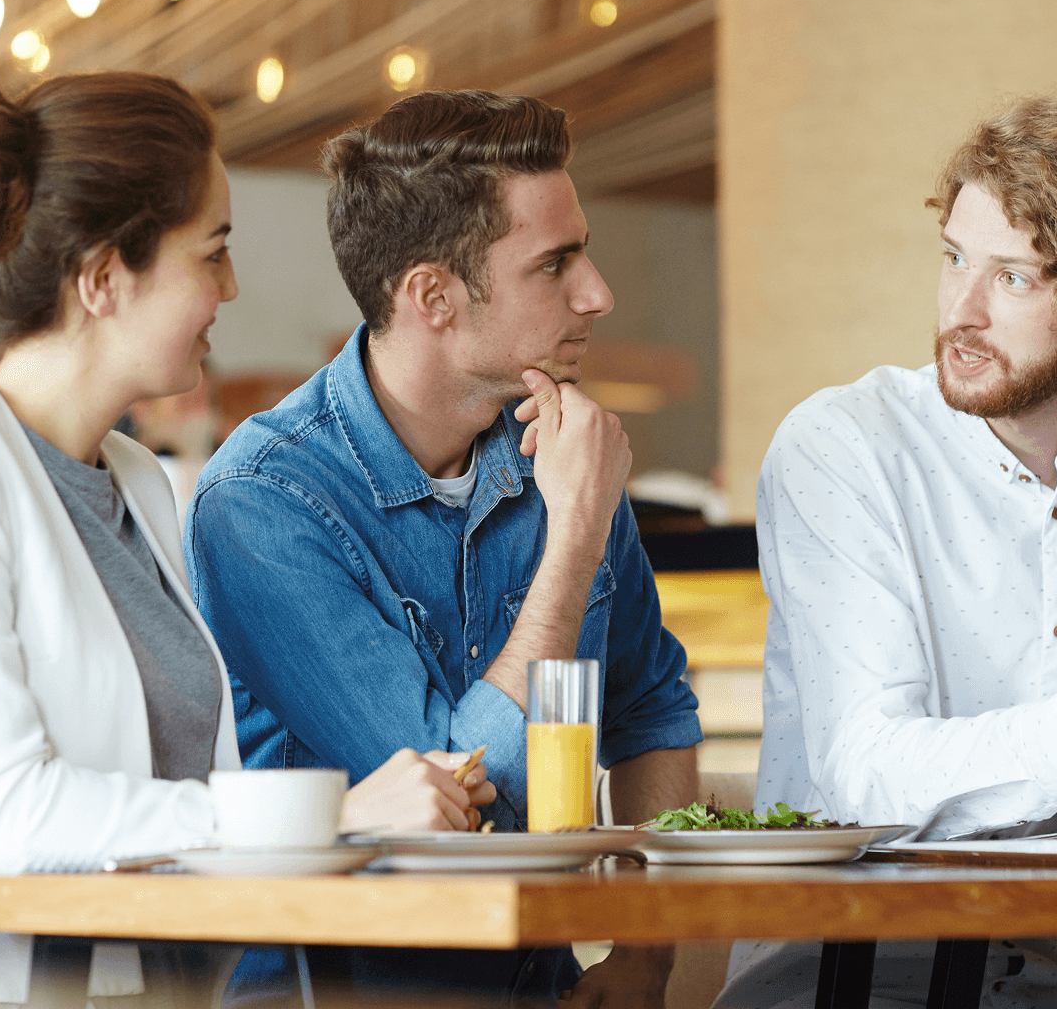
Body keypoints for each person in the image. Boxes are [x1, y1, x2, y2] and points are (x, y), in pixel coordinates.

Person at [0, 75, 494, 1009]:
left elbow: (179, 821)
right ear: (103, 277)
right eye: (210, 252)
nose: (230, 287)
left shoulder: (139, 479)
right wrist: (328, 816)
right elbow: (3, 812)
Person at [721, 94, 1057, 1009]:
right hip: (860, 974)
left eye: (1014, 277)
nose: (960, 311)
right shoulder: (843, 446)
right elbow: (863, 775)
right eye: (954, 259)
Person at [186, 90, 703, 1009]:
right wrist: (575, 540)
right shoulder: (263, 503)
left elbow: (650, 709)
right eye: (557, 264)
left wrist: (644, 953)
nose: (598, 294)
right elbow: (447, 797)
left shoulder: (563, 449)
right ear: (433, 296)